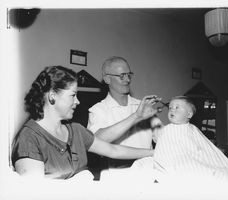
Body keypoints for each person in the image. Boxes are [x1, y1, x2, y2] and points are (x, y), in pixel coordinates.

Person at [11, 65, 158, 180]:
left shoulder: (76, 130)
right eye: (73, 95)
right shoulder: (29, 138)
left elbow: (114, 150)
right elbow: (33, 193)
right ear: (52, 96)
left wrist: (154, 152)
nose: (78, 101)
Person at [87, 56, 162, 177]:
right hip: (117, 176)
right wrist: (136, 116)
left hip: (147, 173)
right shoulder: (98, 110)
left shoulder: (141, 105)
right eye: (122, 76)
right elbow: (97, 140)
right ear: (107, 79)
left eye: (129, 75)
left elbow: (163, 138)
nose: (127, 79)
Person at [152, 95, 228, 182]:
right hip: (178, 164)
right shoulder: (167, 130)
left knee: (223, 172)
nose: (172, 110)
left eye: (177, 107)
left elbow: (206, 149)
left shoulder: (193, 129)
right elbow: (162, 153)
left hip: (197, 160)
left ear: (189, 114)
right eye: (170, 108)